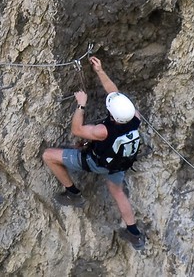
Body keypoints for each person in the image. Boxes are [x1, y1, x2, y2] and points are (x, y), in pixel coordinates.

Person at [41, 56, 146, 248]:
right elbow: (115, 93)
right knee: (118, 192)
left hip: (97, 163)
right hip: (120, 163)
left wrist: (81, 104)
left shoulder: (103, 131)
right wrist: (100, 70)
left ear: (112, 115)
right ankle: (134, 234)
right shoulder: (134, 117)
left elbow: (77, 130)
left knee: (48, 155)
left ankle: (73, 193)